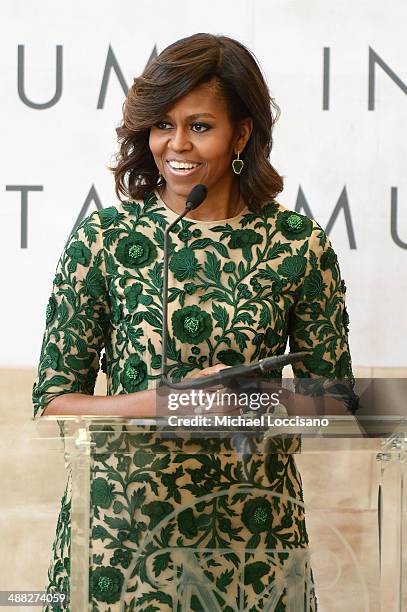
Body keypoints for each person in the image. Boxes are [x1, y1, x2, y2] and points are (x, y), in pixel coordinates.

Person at [32, 32, 355, 611]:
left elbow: (336, 399)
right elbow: (54, 400)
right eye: (162, 125)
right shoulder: (104, 240)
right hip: (119, 543)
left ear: (243, 132)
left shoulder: (297, 246)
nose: (175, 144)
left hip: (254, 545)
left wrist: (250, 400)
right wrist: (166, 402)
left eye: (200, 126)